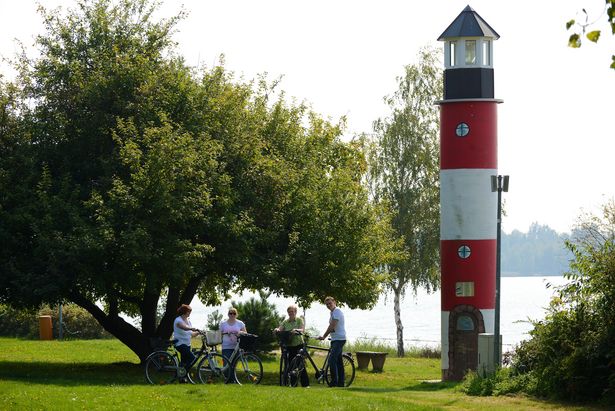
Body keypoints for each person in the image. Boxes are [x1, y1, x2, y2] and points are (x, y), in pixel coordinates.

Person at [276, 304, 309, 387]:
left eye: (292, 311)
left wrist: (296, 330)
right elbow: (280, 328)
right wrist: (277, 329)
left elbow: (302, 330)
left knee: (301, 365)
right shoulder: (285, 322)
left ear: (295, 312)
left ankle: (305, 384)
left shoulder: (299, 320)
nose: (291, 313)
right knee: (291, 365)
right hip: (290, 345)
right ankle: (294, 384)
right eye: (289, 312)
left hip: (299, 345)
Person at [318, 296, 346, 387]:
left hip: (339, 339)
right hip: (335, 339)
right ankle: (341, 383)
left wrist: (324, 336)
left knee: (331, 360)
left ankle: (334, 382)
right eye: (327, 304)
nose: (328, 305)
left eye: (330, 303)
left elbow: (332, 326)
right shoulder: (332, 312)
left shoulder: (337, 311)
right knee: (338, 362)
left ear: (334, 302)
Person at [173, 304, 199, 378]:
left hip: (187, 344)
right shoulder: (178, 320)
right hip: (180, 344)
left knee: (183, 362)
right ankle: (181, 373)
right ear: (184, 312)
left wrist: (199, 332)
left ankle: (181, 378)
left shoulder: (188, 321)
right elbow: (184, 327)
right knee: (192, 358)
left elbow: (192, 334)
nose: (190, 313)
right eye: (189, 311)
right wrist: (191, 328)